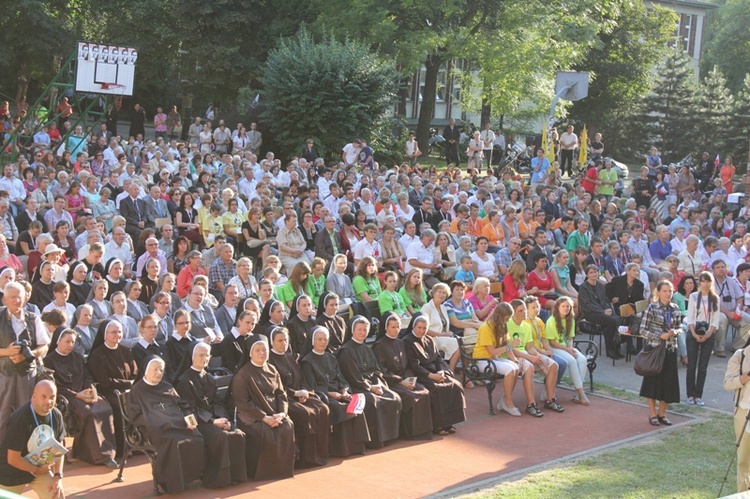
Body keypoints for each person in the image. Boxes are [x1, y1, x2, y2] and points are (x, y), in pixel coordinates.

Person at [126, 357, 207, 494]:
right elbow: (135, 416)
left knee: (197, 438)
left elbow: (184, 405)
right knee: (173, 442)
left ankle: (190, 478)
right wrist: (157, 423)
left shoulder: (167, 386)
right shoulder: (137, 390)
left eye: (161, 370)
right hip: (153, 430)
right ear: (146, 371)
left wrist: (190, 420)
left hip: (177, 425)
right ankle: (172, 484)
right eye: (155, 370)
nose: (158, 373)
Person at [174, 343, 248, 487]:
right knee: (219, 436)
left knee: (237, 433)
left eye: (207, 355)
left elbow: (217, 403)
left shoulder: (209, 378)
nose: (205, 358)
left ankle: (235, 476)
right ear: (192, 357)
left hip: (214, 418)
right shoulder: (184, 381)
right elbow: (188, 409)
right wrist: (213, 422)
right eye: (201, 355)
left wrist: (224, 419)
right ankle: (216, 479)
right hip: (198, 422)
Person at [43, 328, 117, 468]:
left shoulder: (77, 356)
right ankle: (100, 456)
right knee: (90, 413)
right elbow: (55, 386)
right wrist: (77, 395)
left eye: (73, 342)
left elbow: (87, 376)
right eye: (67, 341)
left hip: (84, 394)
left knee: (105, 408)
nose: (71, 345)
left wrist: (89, 390)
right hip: (67, 398)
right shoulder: (49, 361)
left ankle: (103, 452)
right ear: (58, 341)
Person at [231, 339, 296, 480]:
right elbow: (244, 403)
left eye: (264, 350)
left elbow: (281, 394)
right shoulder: (242, 375)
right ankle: (261, 473)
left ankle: (282, 470)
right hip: (252, 417)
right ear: (250, 353)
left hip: (275, 414)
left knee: (287, 424)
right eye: (258, 350)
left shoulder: (272, 369)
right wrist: (264, 418)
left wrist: (282, 413)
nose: (262, 353)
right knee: (263, 431)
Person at [300, 327, 371, 457]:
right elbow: (311, 386)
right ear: (312, 341)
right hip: (324, 396)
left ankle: (356, 447)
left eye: (325, 339)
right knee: (340, 409)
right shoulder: (307, 361)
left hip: (338, 393)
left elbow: (341, 378)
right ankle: (342, 449)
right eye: (319, 339)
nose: (323, 342)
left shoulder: (331, 357)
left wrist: (344, 391)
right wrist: (330, 394)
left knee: (355, 406)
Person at [267, 327, 329, 468]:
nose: (283, 343)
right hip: (284, 399)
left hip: (299, 395)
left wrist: (304, 391)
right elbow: (275, 386)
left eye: (286, 340)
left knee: (323, 408)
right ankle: (305, 458)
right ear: (272, 342)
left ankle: (320, 454)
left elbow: (301, 378)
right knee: (305, 413)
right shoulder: (269, 360)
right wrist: (294, 394)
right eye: (280, 340)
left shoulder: (289, 356)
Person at [338, 316, 402, 448]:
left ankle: (390, 437)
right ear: (353, 330)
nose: (362, 333)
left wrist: (379, 384)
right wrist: (371, 388)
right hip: (357, 387)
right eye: (359, 330)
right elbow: (353, 377)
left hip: (373, 384)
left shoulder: (367, 348)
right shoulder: (346, 351)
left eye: (365, 330)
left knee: (394, 397)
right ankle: (375, 441)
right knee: (373, 402)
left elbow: (377, 370)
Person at [0, 282, 49, 446]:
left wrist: (27, 356)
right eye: (12, 297)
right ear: (5, 299)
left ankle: (24, 451)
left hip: (27, 372)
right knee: (2, 414)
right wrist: (8, 352)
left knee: (26, 412)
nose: (17, 301)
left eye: (19, 297)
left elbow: (44, 346)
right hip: (3, 372)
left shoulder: (33, 318)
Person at [0, 380, 65, 499]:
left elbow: (58, 448)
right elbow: (13, 458)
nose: (48, 401)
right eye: (43, 397)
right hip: (12, 471)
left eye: (52, 397)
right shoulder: (20, 420)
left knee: (56, 495)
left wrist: (57, 476)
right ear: (33, 397)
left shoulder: (56, 415)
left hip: (39, 467)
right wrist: (36, 470)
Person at [373, 312, 434, 439]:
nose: (396, 330)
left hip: (404, 379)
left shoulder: (400, 343)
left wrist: (410, 380)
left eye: (398, 327)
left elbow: (407, 366)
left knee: (424, 391)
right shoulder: (379, 345)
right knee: (411, 396)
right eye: (393, 327)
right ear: (386, 327)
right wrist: (401, 381)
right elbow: (383, 371)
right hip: (391, 382)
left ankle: (423, 432)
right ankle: (410, 433)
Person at [403, 314, 466, 431]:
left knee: (455, 385)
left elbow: (438, 358)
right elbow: (414, 365)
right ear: (413, 327)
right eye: (419, 327)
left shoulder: (430, 340)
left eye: (424, 328)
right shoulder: (407, 341)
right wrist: (431, 376)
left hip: (436, 373)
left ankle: (449, 422)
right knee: (435, 389)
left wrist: (442, 371)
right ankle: (438, 425)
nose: (422, 331)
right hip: (421, 374)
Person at [87, 320, 138, 457]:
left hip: (127, 390)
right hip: (108, 392)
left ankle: (138, 444)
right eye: (114, 332)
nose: (117, 335)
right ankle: (122, 449)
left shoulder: (125, 351)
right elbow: (104, 382)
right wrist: (128, 384)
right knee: (118, 406)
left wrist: (131, 384)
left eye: (120, 332)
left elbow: (134, 372)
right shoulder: (97, 355)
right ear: (105, 334)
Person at [639, 280, 681, 426]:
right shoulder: (652, 307)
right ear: (658, 292)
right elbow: (642, 330)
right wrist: (659, 335)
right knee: (652, 383)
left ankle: (662, 414)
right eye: (665, 291)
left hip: (670, 349)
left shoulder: (675, 308)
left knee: (668, 384)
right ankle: (652, 414)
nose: (668, 294)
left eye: (670, 291)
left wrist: (675, 332)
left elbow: (679, 327)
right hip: (656, 349)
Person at [684, 272, 721, 406]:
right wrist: (694, 333)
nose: (706, 284)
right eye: (703, 281)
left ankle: (698, 395)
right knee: (691, 366)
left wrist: (708, 334)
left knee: (703, 367)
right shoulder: (694, 296)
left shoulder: (715, 298)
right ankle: (690, 394)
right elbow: (690, 317)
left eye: (708, 281)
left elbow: (715, 320)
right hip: (694, 332)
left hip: (708, 333)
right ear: (699, 282)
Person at [546, 297, 590, 405]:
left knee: (583, 360)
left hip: (566, 347)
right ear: (557, 307)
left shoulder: (570, 319)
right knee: (572, 360)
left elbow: (570, 337)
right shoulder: (551, 320)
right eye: (563, 306)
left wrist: (570, 348)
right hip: (555, 347)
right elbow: (552, 342)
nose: (566, 308)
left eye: (568, 306)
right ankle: (581, 392)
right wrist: (568, 350)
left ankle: (577, 392)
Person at [723, 337, 750, 493]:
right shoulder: (740, 356)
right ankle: (743, 494)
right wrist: (745, 377)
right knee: (744, 460)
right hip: (743, 412)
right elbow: (728, 383)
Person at [579, 264, 621, 359]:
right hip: (590, 312)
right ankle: (610, 349)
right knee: (611, 321)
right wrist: (603, 311)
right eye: (591, 272)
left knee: (618, 319)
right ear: (587, 275)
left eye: (595, 272)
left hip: (602, 311)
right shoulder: (583, 287)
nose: (594, 274)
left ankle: (615, 347)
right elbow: (587, 304)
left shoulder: (600, 286)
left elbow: (605, 299)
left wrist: (608, 309)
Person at [420, 283, 461, 374]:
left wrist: (449, 333)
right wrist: (442, 334)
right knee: (458, 343)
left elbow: (444, 326)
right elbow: (423, 329)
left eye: (444, 293)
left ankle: (465, 372)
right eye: (439, 292)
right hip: (430, 339)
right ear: (433, 293)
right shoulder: (427, 307)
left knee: (463, 341)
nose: (442, 295)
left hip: (443, 337)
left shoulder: (443, 307)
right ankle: (451, 370)